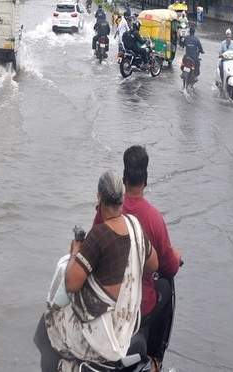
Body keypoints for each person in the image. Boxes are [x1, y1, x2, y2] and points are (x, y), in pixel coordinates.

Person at [44, 171, 161, 369]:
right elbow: (154, 265)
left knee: (51, 320)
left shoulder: (99, 235)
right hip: (127, 320)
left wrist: (75, 251)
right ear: (121, 198)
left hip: (104, 332)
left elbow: (71, 284)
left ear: (99, 197)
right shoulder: (135, 226)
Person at [93, 146, 182, 369]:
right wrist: (176, 256)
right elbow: (168, 266)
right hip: (138, 306)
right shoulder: (153, 218)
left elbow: (92, 247)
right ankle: (155, 359)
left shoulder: (105, 211)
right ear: (145, 179)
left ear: (123, 179)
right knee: (165, 285)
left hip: (106, 301)